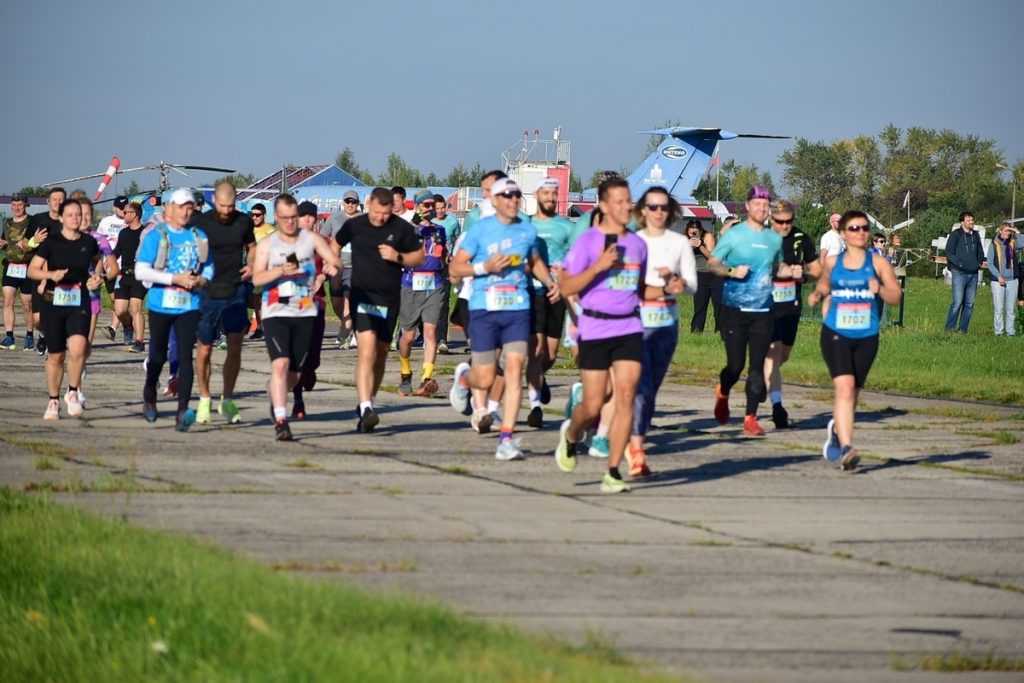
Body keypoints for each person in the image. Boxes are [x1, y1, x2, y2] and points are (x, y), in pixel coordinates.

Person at [449, 178, 559, 461]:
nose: (512, 200)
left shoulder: (527, 230)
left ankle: (506, 439)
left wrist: (550, 282)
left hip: (517, 308)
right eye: (506, 196)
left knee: (514, 369)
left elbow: (534, 262)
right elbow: (456, 266)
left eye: (516, 196)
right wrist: (485, 266)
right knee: (484, 377)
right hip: (485, 307)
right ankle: (464, 378)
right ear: (495, 200)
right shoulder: (480, 230)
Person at [553, 177, 644, 493]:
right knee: (593, 405)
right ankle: (572, 436)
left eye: (628, 200)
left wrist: (667, 287)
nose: (626, 207)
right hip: (594, 327)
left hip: (629, 327)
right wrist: (599, 267)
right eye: (619, 202)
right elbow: (566, 287)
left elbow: (640, 287)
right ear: (603, 206)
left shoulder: (637, 244)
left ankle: (613, 471)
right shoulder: (588, 242)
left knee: (626, 396)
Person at [808, 210, 902, 471]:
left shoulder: (879, 263)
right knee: (845, 387)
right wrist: (817, 295)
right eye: (854, 228)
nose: (860, 232)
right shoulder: (833, 262)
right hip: (835, 332)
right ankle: (848, 448)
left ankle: (838, 430)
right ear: (843, 233)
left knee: (854, 392)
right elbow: (825, 284)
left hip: (867, 335)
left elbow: (896, 297)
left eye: (864, 228)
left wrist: (879, 290)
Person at [708, 186, 798, 436]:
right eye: (757, 204)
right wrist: (730, 272)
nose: (761, 208)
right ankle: (723, 391)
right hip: (734, 310)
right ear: (747, 206)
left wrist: (791, 272)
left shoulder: (774, 239)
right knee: (735, 366)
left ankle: (750, 418)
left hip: (763, 311)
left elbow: (777, 267)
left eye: (765, 205)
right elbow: (713, 263)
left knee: (757, 367)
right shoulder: (734, 235)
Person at [251, 195, 340, 440]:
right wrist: (279, 270)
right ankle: (281, 420)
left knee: (296, 374)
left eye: (294, 218)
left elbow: (334, 260)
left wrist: (333, 267)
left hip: (305, 311)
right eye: (286, 218)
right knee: (280, 365)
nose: (291, 223)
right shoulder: (268, 244)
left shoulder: (310, 239)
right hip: (276, 312)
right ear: (277, 218)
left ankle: (276, 393)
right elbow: (257, 278)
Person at [336, 187, 425, 432]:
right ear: (370, 204)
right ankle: (365, 407)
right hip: (362, 296)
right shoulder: (356, 225)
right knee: (366, 350)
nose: (380, 217)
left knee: (382, 353)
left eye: (385, 213)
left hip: (389, 299)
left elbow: (419, 256)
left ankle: (369, 402)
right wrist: (334, 266)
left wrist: (398, 256)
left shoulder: (401, 228)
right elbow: (335, 243)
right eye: (377, 212)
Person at [628, 187, 697, 475]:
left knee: (651, 388)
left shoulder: (679, 242)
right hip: (635, 323)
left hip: (666, 323)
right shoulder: (632, 241)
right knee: (640, 388)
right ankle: (636, 448)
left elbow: (692, 285)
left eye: (663, 207)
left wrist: (678, 283)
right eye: (652, 206)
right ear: (642, 210)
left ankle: (633, 431)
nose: (658, 212)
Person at [134, 188, 214, 431]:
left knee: (185, 359)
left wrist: (200, 280)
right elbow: (141, 271)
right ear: (169, 208)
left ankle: (182, 411)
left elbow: (209, 268)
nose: (185, 211)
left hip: (189, 305)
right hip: (161, 304)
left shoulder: (199, 237)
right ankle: (150, 393)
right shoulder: (157, 235)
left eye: (189, 206)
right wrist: (174, 279)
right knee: (158, 356)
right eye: (181, 206)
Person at [27, 199, 102, 419]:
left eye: (78, 214)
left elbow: (98, 261)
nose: (75, 218)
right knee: (56, 356)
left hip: (79, 299)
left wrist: (95, 277)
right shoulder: (51, 243)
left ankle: (72, 391)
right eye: (70, 215)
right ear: (61, 218)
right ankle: (53, 400)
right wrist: (50, 275)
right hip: (54, 300)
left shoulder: (89, 242)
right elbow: (32, 270)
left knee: (79, 347)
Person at [191, 181, 256, 425]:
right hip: (207, 291)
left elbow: (252, 247)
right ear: (214, 201)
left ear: (235, 202)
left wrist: (251, 264)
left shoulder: (244, 221)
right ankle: (205, 398)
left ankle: (227, 399)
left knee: (235, 345)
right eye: (222, 206)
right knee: (204, 349)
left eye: (230, 206)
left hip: (236, 289)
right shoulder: (201, 223)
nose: (227, 210)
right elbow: (189, 250)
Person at [763, 200, 819, 428]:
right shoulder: (762, 239)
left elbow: (817, 270)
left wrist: (803, 276)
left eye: (789, 221)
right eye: (780, 222)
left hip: (790, 304)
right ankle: (777, 407)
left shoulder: (801, 239)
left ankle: (762, 374)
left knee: (782, 356)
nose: (785, 226)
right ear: (771, 219)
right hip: (766, 303)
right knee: (773, 354)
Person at [525, 177, 573, 429]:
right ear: (536, 195)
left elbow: (574, 260)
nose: (551, 198)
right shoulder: (527, 224)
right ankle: (535, 407)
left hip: (558, 293)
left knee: (551, 354)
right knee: (536, 349)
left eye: (554, 194)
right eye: (546, 193)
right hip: (532, 292)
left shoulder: (566, 227)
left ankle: (539, 378)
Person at [396, 190, 447, 397]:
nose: (429, 209)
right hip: (410, 284)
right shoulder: (408, 229)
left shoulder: (440, 230)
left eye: (432, 205)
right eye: (425, 205)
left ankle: (426, 378)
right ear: (416, 207)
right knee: (407, 336)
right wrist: (415, 223)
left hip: (434, 284)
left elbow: (443, 254)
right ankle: (405, 372)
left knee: (430, 333)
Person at [27, 186, 67, 356]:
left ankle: (55, 341)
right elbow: (24, 245)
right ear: (48, 201)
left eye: (61, 199)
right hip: (40, 275)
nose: (58, 202)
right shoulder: (37, 219)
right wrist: (33, 241)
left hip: (61, 277)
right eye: (54, 199)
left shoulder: (68, 221)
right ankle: (43, 335)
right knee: (37, 319)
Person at [323, 189, 361, 348]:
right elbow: (322, 239)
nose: (350, 205)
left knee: (347, 300)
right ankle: (346, 325)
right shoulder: (334, 220)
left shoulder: (363, 220)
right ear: (343, 203)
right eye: (347, 202)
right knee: (337, 302)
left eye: (353, 202)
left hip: (355, 266)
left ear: (357, 204)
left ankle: (349, 333)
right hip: (337, 267)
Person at [1, 192, 36, 351]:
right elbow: (5, 241)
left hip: (27, 266)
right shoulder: (7, 223)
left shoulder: (32, 222)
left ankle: (29, 335)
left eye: (20, 205)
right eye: (14, 205)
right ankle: (9, 336)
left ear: (26, 205)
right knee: (7, 301)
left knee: (27, 303)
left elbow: (35, 242)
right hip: (10, 266)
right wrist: (2, 243)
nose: (16, 208)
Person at [113, 203, 148, 353]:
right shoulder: (123, 233)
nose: (123, 214)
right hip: (124, 275)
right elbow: (116, 252)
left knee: (135, 308)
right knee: (120, 311)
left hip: (139, 276)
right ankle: (128, 325)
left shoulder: (146, 232)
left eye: (126, 212)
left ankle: (139, 341)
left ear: (134, 214)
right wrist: (106, 262)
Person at [943, 211, 986, 333]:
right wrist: (960, 264)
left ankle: (963, 330)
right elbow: (949, 252)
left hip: (973, 274)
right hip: (959, 273)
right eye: (968, 220)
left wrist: (979, 263)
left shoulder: (976, 235)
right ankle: (949, 330)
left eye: (972, 220)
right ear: (962, 222)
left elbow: (980, 251)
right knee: (957, 303)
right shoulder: (955, 234)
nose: (971, 222)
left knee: (969, 304)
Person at [98, 195, 129, 343]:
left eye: (125, 208)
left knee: (119, 300)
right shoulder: (106, 222)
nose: (124, 211)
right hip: (107, 266)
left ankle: (113, 328)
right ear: (114, 207)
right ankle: (128, 324)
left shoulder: (129, 221)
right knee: (113, 299)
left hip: (124, 266)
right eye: (121, 208)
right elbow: (97, 241)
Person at [433, 193, 459, 354]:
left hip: (446, 265)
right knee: (430, 301)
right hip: (430, 266)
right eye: (437, 208)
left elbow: (458, 240)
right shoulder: (429, 222)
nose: (440, 211)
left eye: (443, 208)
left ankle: (442, 339)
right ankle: (429, 336)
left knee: (444, 301)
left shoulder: (453, 222)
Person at [687, 219, 722, 333]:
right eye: (691, 232)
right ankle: (696, 330)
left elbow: (712, 258)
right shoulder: (684, 240)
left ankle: (720, 331)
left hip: (714, 274)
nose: (693, 235)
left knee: (718, 306)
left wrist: (700, 246)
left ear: (701, 231)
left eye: (696, 232)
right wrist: (690, 245)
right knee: (700, 305)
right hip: (700, 275)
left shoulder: (708, 237)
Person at [988, 222, 1020, 336]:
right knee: (999, 309)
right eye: (1006, 230)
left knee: (1011, 309)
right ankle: (999, 332)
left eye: (1009, 231)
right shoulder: (994, 244)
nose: (1008, 233)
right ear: (1000, 231)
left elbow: (1023, 243)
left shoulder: (1013, 243)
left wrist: (1016, 231)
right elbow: (990, 263)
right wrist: (998, 276)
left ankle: (1010, 332)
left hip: (1012, 280)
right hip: (998, 281)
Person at [247, 203, 273, 340]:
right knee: (254, 300)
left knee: (265, 298)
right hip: (252, 269)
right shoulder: (249, 229)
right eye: (253, 215)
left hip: (266, 269)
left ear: (264, 215)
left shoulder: (270, 231)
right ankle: (258, 327)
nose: (255, 217)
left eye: (258, 215)